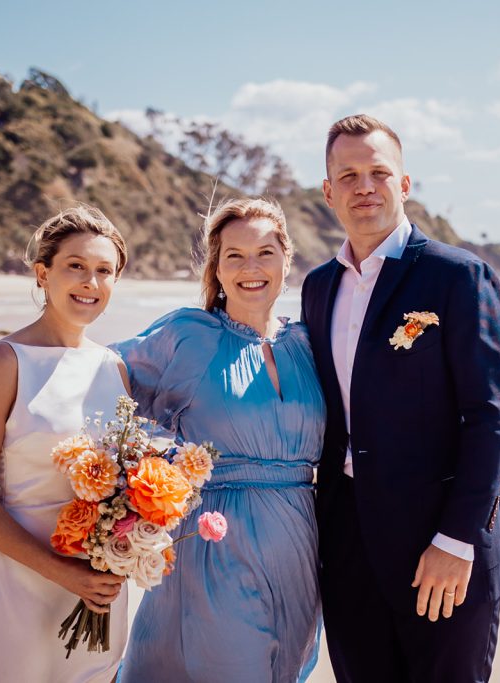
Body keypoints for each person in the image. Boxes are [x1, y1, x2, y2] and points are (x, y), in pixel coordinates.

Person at [300, 115, 500, 682]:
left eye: (378, 172)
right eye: (347, 175)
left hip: (440, 546)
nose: (363, 186)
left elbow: (491, 417)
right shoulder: (318, 287)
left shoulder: (458, 277)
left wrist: (456, 539)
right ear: (328, 192)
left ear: (404, 184)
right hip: (347, 546)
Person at [113, 198, 325, 683]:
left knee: (283, 668)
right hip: (217, 537)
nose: (252, 268)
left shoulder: (310, 343)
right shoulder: (191, 335)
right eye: (235, 255)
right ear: (217, 267)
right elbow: (99, 372)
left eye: (265, 253)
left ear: (286, 258)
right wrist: (6, 404)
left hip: (300, 542)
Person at [0, 206, 130, 682]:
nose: (90, 281)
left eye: (104, 271)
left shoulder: (115, 368)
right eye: (76, 266)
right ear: (42, 273)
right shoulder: (4, 360)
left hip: (99, 590)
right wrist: (63, 573)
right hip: (17, 585)